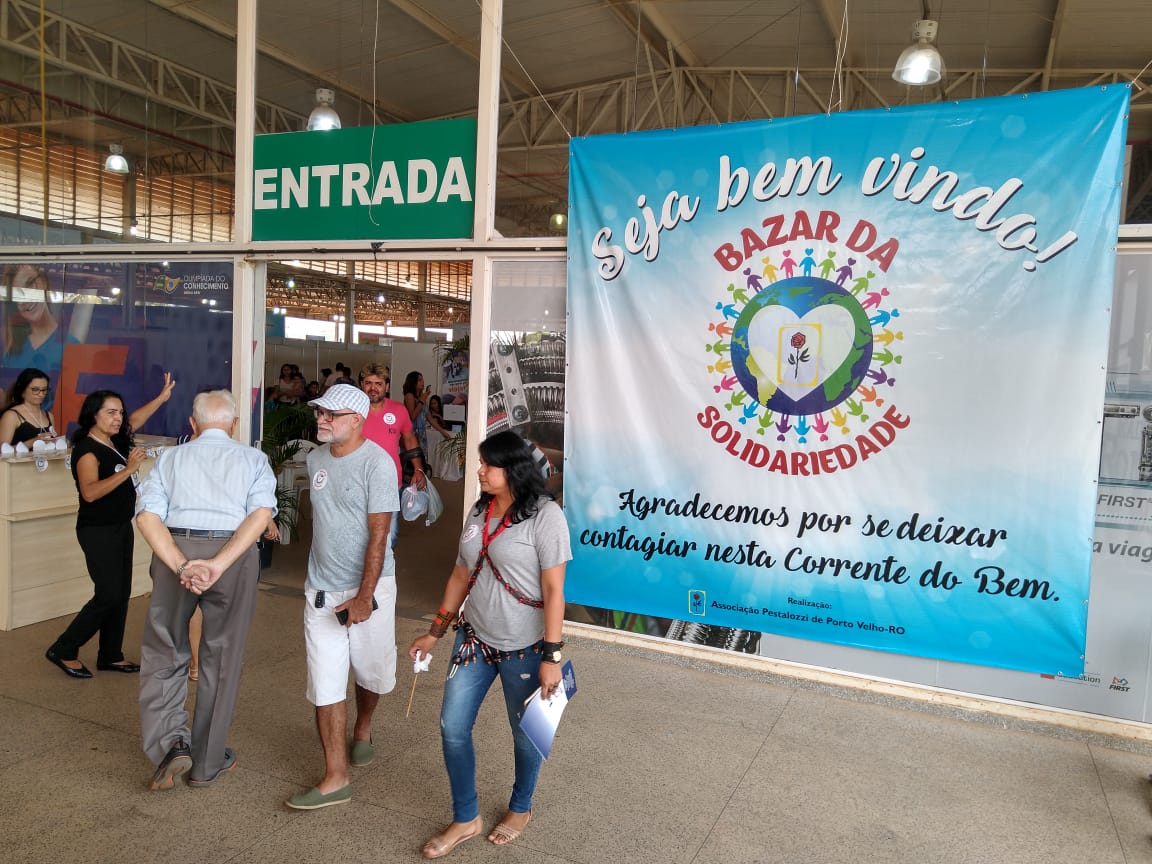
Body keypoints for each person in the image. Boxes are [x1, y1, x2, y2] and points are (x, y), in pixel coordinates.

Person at [408, 431, 572, 859]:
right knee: (452, 727)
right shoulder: (479, 511)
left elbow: (555, 591)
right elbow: (461, 574)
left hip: (525, 648)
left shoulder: (546, 516)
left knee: (525, 734)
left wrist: (551, 657)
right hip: (473, 642)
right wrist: (436, 631)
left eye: (488, 464)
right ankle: (467, 816)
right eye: (481, 463)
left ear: (514, 469)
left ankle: (521, 807)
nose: (478, 470)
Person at [135, 389, 277, 790]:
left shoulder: (171, 458)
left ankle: (170, 746)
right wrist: (217, 564)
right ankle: (206, 764)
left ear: (192, 425)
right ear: (233, 425)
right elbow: (260, 514)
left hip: (173, 549)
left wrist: (181, 564)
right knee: (222, 656)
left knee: (163, 648)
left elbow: (147, 517)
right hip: (231, 554)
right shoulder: (253, 459)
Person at [285, 383, 399, 810]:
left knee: (371, 672)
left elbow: (379, 534)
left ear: (356, 420)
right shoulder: (315, 458)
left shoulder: (378, 464)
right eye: (320, 412)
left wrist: (365, 596)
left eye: (331, 414)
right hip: (321, 590)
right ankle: (336, 776)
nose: (321, 419)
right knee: (326, 679)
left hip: (370, 587)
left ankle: (363, 726)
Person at [43, 374, 177, 679]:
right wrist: (129, 469)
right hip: (97, 529)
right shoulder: (87, 449)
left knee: (122, 592)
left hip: (119, 526)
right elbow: (90, 492)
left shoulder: (114, 440)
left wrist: (161, 398)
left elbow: (135, 420)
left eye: (120, 412)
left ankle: (110, 655)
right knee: (108, 594)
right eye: (111, 413)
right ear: (94, 415)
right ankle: (64, 648)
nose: (119, 418)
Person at [3, 264, 93, 409]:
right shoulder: (12, 351)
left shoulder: (71, 346)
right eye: (18, 294)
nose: (26, 300)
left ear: (44, 282)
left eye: (30, 285)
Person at [359, 362, 426, 548]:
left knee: (389, 533)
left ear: (386, 386)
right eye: (368, 383)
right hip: (355, 480)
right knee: (357, 530)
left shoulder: (398, 410)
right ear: (361, 385)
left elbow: (410, 439)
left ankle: (383, 572)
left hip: (389, 480)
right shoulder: (351, 411)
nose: (373, 388)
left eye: (378, 383)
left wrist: (418, 469)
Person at [0, 367, 57, 447]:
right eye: (35, 389)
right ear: (23, 389)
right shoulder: (11, 415)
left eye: (44, 390)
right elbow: (2, 451)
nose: (41, 394)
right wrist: (32, 442)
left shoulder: (49, 416)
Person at [426, 395, 462, 481]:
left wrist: (438, 416)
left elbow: (445, 424)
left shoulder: (444, 411)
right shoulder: (429, 412)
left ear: (438, 403)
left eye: (435, 403)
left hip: (446, 430)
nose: (433, 405)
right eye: (431, 404)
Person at [402, 370, 432, 458]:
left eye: (422, 380)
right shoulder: (409, 396)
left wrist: (442, 431)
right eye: (419, 380)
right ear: (413, 382)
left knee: (422, 460)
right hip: (412, 433)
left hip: (422, 434)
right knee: (413, 460)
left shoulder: (421, 397)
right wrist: (422, 401)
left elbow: (429, 417)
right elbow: (413, 416)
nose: (423, 382)